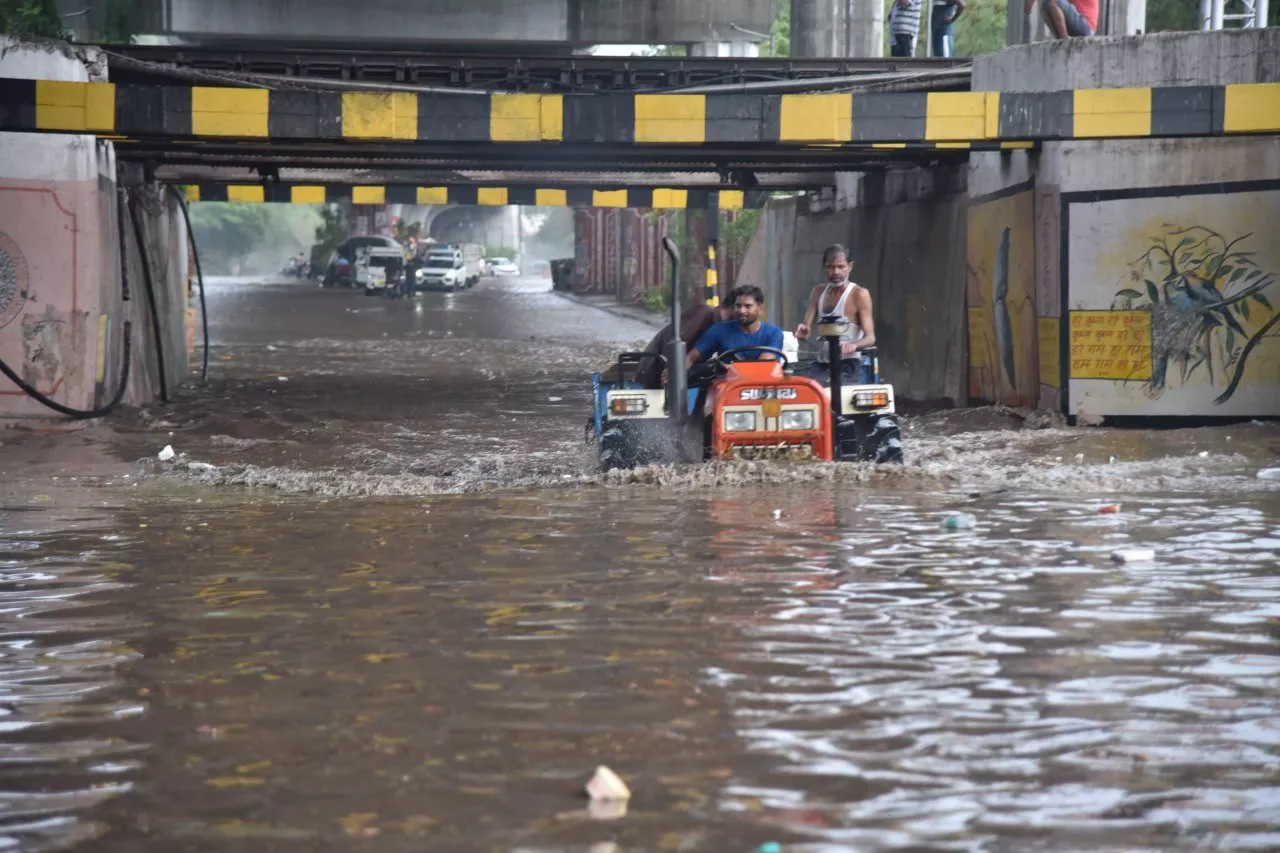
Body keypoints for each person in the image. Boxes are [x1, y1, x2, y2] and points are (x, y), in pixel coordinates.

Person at [794, 244, 877, 381]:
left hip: (848, 365)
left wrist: (854, 345)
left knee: (835, 394)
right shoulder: (818, 292)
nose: (836, 272)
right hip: (822, 365)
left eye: (841, 267)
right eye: (830, 267)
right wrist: (803, 331)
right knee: (800, 388)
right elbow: (805, 328)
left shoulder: (859, 294)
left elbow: (870, 338)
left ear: (849, 267)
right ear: (824, 268)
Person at [635, 297, 733, 389]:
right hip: (658, 364)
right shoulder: (703, 314)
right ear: (723, 307)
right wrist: (673, 370)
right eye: (732, 315)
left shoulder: (722, 327)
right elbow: (675, 341)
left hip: (679, 365)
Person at [683, 285, 784, 374]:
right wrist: (676, 374)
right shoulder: (719, 330)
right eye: (738, 306)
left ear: (761, 309)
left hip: (763, 390)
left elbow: (764, 367)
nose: (742, 310)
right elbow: (692, 357)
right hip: (726, 389)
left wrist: (732, 369)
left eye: (748, 306)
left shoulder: (774, 333)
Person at [1025, 0, 1096, 38]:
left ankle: (1064, 40)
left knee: (1053, 2)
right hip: (1079, 24)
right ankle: (1061, 40)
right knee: (1045, 6)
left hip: (1085, 26)